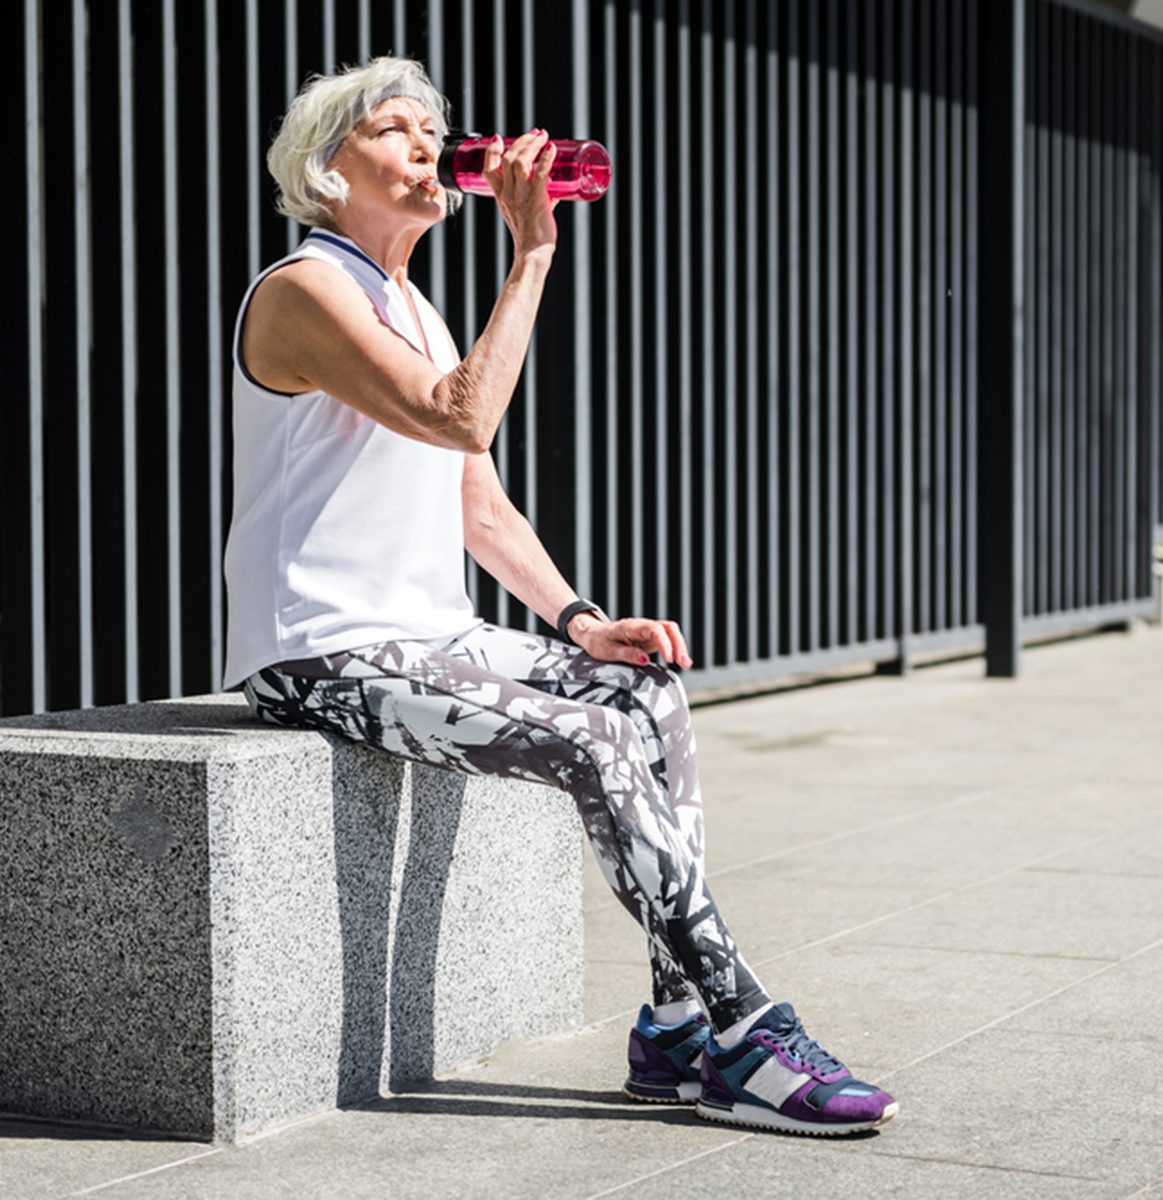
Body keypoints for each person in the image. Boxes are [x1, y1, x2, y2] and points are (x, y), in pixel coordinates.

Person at [223, 56, 897, 1136]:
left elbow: (475, 502)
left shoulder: (416, 307)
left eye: (433, 131)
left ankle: (675, 1031)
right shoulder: (304, 287)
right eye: (396, 131)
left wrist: (583, 621)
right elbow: (458, 419)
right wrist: (532, 251)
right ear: (324, 168)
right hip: (320, 653)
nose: (428, 148)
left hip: (429, 635)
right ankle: (742, 1020)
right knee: (588, 739)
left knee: (645, 694)